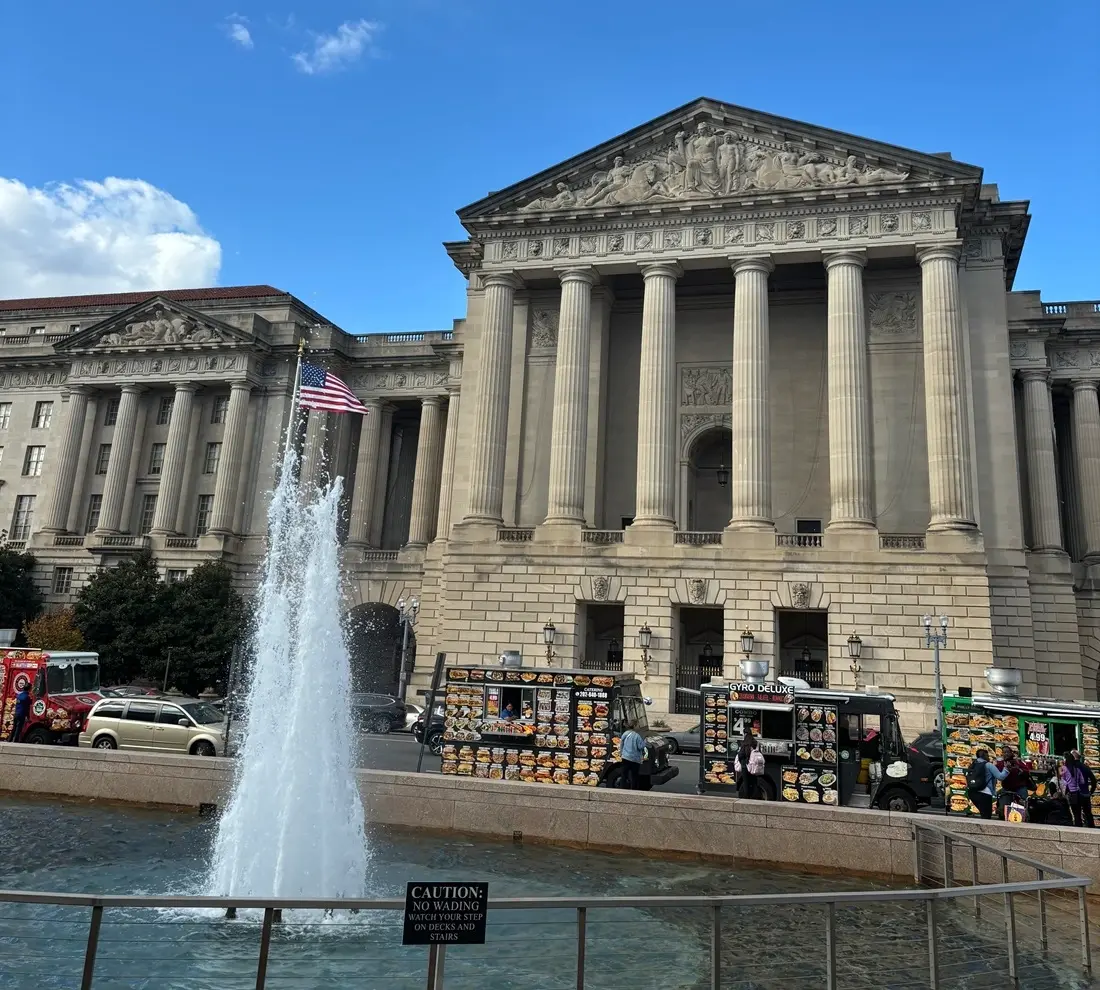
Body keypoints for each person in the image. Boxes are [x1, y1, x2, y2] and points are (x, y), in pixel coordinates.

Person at [969, 748, 1009, 820]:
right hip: (985, 794)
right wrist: (1006, 768)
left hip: (972, 793)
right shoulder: (988, 765)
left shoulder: (973, 764)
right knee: (986, 816)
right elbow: (1000, 777)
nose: (988, 757)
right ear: (984, 756)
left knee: (982, 813)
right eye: (987, 756)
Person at [998, 748, 1032, 818]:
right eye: (1004, 752)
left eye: (1007, 752)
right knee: (1003, 806)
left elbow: (1027, 772)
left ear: (1011, 753)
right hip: (1006, 787)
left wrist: (1019, 769)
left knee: (1024, 804)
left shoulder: (1018, 762)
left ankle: (1026, 817)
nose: (1006, 754)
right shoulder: (1001, 763)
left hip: (1020, 787)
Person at [1061, 752, 1091, 828]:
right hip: (1078, 793)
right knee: (1078, 814)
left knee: (1073, 813)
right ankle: (1080, 828)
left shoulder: (1064, 768)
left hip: (1070, 793)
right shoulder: (1077, 770)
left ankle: (1076, 829)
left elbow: (1062, 781)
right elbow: (1082, 781)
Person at [735, 732, 764, 800]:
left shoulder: (744, 743)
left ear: (745, 734)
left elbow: (741, 755)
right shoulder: (755, 742)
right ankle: (756, 795)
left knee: (746, 782)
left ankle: (747, 797)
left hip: (745, 766)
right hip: (754, 766)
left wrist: (742, 761)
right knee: (754, 781)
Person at [1071, 750, 1097, 828]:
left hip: (1075, 794)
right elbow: (1094, 780)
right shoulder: (1085, 767)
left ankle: (1079, 831)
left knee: (1077, 815)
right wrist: (1090, 792)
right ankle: (1092, 831)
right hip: (1085, 794)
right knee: (1088, 814)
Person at [619, 726, 646, 790]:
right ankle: (633, 789)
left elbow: (621, 743)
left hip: (625, 757)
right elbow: (640, 747)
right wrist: (644, 742)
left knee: (624, 774)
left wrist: (621, 753)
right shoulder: (637, 736)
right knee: (634, 775)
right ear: (635, 728)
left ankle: (622, 787)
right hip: (635, 759)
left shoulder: (625, 734)